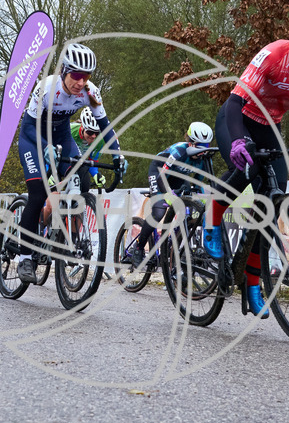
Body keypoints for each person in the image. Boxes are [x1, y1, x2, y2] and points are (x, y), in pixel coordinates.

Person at [201, 0, 289, 316]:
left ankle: (252, 283)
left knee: (272, 202)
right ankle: (212, 213)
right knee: (247, 172)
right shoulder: (273, 54)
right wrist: (238, 140)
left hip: (269, 125)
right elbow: (236, 102)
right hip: (237, 118)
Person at [14, 42, 126, 283]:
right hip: (34, 138)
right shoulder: (46, 88)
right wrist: (45, 148)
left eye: (86, 76)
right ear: (64, 70)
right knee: (37, 193)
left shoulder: (91, 92)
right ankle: (23, 258)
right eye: (76, 75)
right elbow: (30, 127)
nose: (80, 82)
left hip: (62, 136)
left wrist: (118, 156)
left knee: (79, 172)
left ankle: (67, 238)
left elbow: (105, 126)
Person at [127, 122, 215, 266]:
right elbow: (162, 176)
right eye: (199, 146)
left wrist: (199, 198)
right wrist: (167, 194)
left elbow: (198, 182)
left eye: (206, 146)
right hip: (159, 172)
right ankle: (138, 247)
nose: (203, 151)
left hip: (178, 177)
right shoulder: (178, 152)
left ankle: (172, 251)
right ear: (191, 142)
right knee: (159, 211)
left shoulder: (203, 159)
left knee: (188, 212)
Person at [71, 108, 107, 189]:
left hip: (79, 164)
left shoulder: (100, 139)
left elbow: (93, 160)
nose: (93, 136)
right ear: (82, 127)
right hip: (61, 162)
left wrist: (95, 174)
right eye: (90, 132)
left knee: (85, 183)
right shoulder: (70, 130)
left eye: (97, 133)